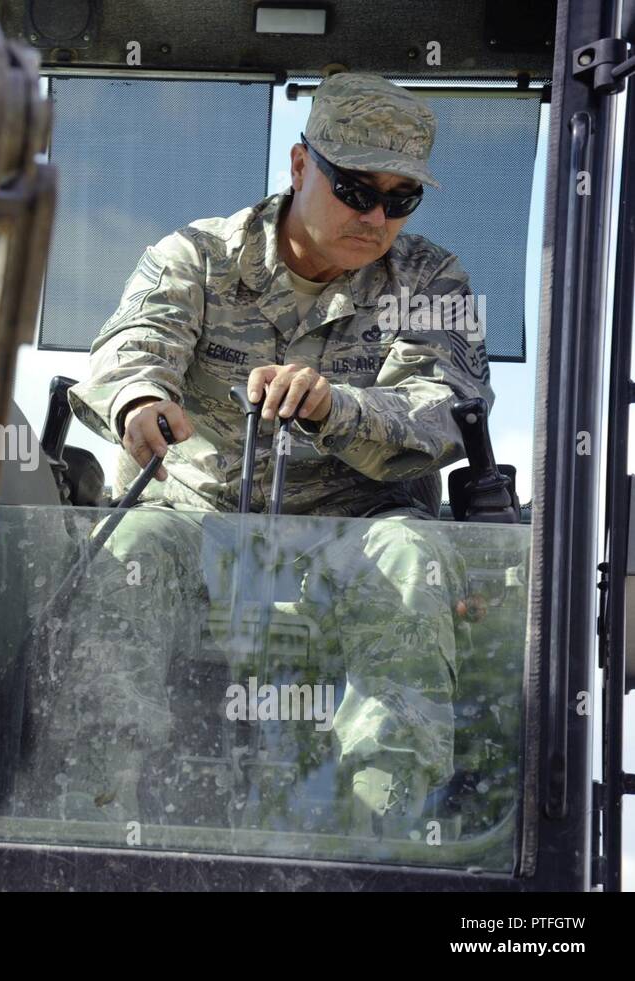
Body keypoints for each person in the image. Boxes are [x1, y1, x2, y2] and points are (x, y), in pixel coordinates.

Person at [31, 72, 495, 839]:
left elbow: (440, 414)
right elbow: (135, 342)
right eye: (355, 188)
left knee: (416, 556)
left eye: (400, 198)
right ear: (300, 166)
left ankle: (372, 838)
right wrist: (140, 401)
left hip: (356, 535)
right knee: (131, 547)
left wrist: (335, 407)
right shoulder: (198, 255)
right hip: (195, 522)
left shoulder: (431, 281)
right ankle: (95, 820)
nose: (375, 216)